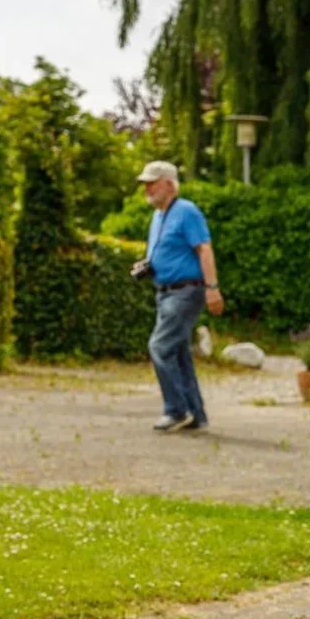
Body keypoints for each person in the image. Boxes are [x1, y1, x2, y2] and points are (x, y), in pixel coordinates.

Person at [132, 161, 222, 433]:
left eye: (152, 182)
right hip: (166, 292)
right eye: (145, 183)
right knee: (179, 352)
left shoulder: (186, 211)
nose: (147, 188)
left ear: (169, 184)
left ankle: (175, 409)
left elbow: (204, 250)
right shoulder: (159, 215)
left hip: (185, 291)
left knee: (160, 347)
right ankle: (196, 414)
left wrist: (212, 288)